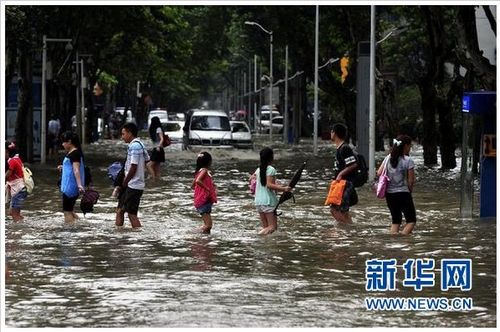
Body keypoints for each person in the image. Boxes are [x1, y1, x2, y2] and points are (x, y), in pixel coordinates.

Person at [377, 135, 416, 235]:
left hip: (390, 194)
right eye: (410, 146)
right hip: (403, 193)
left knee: (396, 221)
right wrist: (409, 191)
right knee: (411, 221)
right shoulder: (408, 160)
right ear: (406, 146)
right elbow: (411, 181)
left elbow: (379, 173)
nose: (410, 148)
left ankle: (393, 242)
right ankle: (402, 240)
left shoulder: (387, 158)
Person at [115, 122, 152, 229]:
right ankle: (118, 235)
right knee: (119, 210)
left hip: (133, 185)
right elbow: (147, 161)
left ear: (130, 133)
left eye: (123, 134)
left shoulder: (135, 146)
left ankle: (138, 237)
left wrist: (125, 182)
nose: (122, 137)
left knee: (131, 214)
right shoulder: (139, 144)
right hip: (133, 184)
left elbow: (134, 167)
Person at [252, 147, 291, 235]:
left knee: (266, 227)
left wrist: (276, 184)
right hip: (268, 201)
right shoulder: (271, 169)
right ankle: (258, 236)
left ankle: (265, 245)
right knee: (272, 227)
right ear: (271, 157)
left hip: (258, 201)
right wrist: (284, 188)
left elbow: (255, 180)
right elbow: (269, 185)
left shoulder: (258, 170)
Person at [330, 123, 359, 224]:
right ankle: (348, 231)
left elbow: (353, 164)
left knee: (334, 210)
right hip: (342, 184)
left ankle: (348, 228)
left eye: (332, 131)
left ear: (335, 133)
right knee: (343, 211)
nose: (330, 133)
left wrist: (340, 174)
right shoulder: (340, 148)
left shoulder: (344, 148)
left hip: (345, 184)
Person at [57, 131, 85, 223]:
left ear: (69, 142)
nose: (62, 144)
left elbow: (76, 170)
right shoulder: (73, 153)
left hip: (71, 186)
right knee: (70, 209)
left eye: (63, 142)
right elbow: (72, 167)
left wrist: (79, 185)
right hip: (70, 185)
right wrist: (63, 167)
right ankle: (81, 224)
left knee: (67, 211)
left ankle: (69, 229)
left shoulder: (75, 153)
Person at [191, 151, 217, 234]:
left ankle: (205, 240)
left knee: (207, 225)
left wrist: (210, 183)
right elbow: (198, 181)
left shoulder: (199, 171)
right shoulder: (204, 170)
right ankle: (192, 232)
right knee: (208, 225)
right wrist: (207, 188)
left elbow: (193, 185)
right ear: (209, 162)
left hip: (203, 201)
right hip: (204, 201)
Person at [5, 142, 28, 222]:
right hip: (20, 189)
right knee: (12, 212)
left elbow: (7, 175)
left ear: (7, 151)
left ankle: (18, 232)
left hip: (18, 190)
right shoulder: (17, 158)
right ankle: (23, 224)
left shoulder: (11, 161)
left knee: (14, 214)